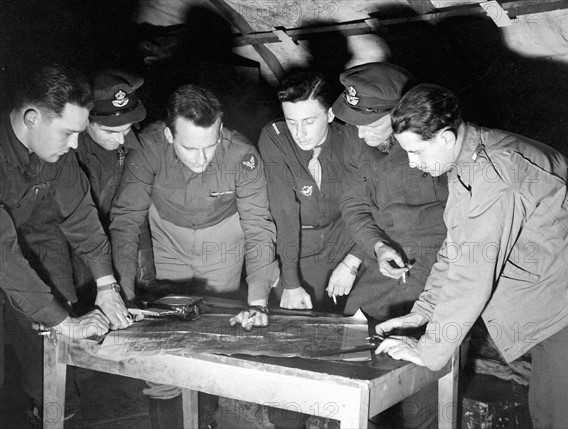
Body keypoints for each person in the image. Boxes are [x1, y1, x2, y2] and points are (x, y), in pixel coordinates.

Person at [376, 83, 568, 428]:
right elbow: (456, 250)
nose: (411, 163)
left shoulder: (495, 174)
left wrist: (428, 351)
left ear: (446, 139)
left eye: (417, 152)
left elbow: (471, 277)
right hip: (557, 303)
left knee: (567, 419)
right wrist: (421, 313)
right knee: (549, 413)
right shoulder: (471, 156)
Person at [109, 84, 279, 428]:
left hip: (224, 236)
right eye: (190, 148)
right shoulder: (148, 149)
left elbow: (259, 227)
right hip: (169, 236)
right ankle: (168, 413)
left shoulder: (242, 155)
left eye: (211, 145)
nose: (203, 159)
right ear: (170, 134)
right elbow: (126, 222)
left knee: (217, 331)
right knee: (164, 339)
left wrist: (259, 300)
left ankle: (217, 415)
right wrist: (121, 296)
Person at [0, 64, 131, 422]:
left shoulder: (57, 155)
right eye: (68, 133)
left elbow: (80, 215)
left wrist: (107, 284)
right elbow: (3, 255)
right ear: (31, 118)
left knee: (45, 336)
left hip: (26, 243)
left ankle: (55, 410)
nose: (76, 143)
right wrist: (62, 322)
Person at [331, 62, 447, 428]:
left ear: (400, 113)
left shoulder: (430, 138)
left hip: (433, 262)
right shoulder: (354, 135)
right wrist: (376, 247)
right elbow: (353, 204)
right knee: (354, 337)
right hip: (379, 255)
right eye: (356, 124)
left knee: (418, 365)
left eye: (372, 125)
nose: (362, 136)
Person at [258, 71, 360, 312]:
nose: (299, 133)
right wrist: (291, 283)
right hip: (299, 251)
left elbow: (374, 208)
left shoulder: (354, 137)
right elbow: (285, 214)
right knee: (295, 322)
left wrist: (354, 261)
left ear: (331, 113)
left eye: (309, 121)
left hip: (350, 244)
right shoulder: (274, 139)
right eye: (291, 121)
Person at [72, 70, 154, 298]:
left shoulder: (137, 145)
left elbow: (135, 214)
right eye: (109, 130)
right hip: (78, 240)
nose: (120, 140)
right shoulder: (67, 151)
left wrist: (144, 272)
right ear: (85, 119)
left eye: (126, 129)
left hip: (126, 235)